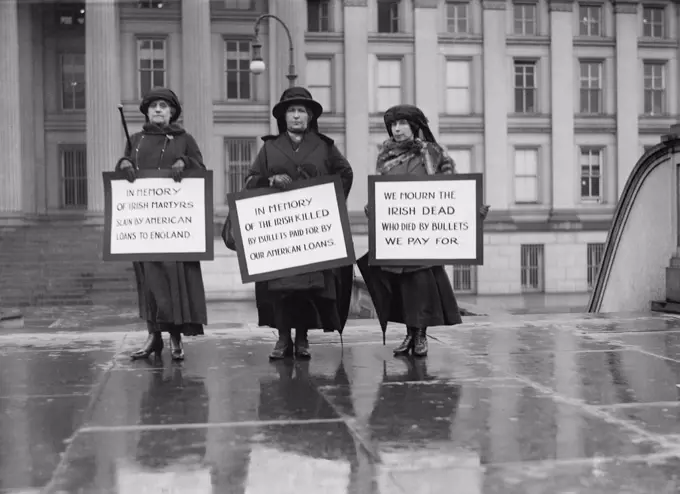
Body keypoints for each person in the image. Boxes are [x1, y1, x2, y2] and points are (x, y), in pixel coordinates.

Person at [359, 104, 490, 357]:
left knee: (420, 286)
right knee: (402, 287)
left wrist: (473, 209)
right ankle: (410, 333)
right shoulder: (385, 158)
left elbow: (453, 189)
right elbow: (385, 193)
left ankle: (420, 335)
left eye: (402, 123)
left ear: (414, 126)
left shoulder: (433, 153)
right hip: (399, 235)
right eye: (393, 125)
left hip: (425, 236)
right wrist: (373, 207)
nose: (397, 129)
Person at [244, 87, 354, 360]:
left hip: (311, 231)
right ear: (283, 117)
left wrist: (327, 201)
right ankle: (282, 339)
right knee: (281, 289)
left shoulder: (325, 146)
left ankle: (302, 338)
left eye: (301, 111)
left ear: (309, 117)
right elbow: (250, 180)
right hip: (279, 233)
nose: (296, 116)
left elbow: (345, 174)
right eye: (291, 111)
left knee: (307, 289)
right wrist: (269, 181)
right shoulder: (269, 147)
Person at [115, 87, 208, 361]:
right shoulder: (136, 140)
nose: (158, 110)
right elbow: (125, 169)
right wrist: (123, 163)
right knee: (149, 283)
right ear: (146, 111)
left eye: (164, 106)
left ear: (172, 112)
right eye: (154, 106)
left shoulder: (185, 139)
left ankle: (176, 338)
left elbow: (200, 170)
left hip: (176, 229)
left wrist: (185, 161)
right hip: (145, 227)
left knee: (174, 283)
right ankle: (153, 336)